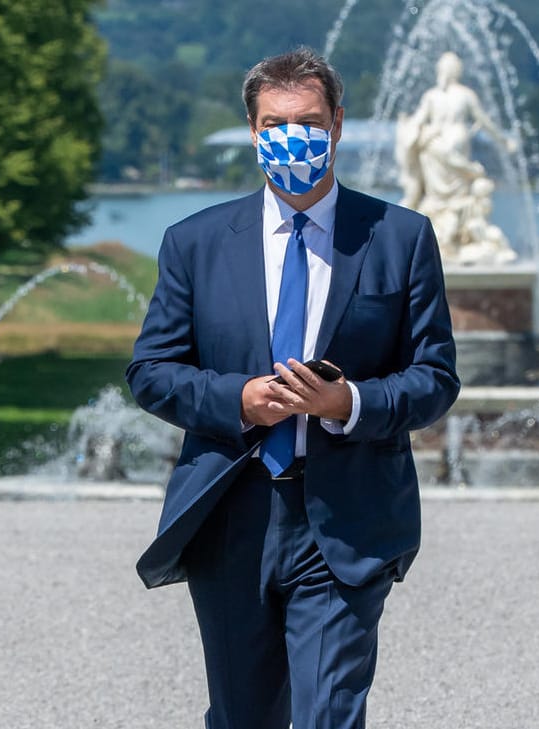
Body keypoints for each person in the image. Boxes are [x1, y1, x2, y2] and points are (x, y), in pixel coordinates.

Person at [127, 47, 459, 729]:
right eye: (275, 123)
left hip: (345, 516)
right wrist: (237, 400)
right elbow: (151, 370)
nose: (292, 136)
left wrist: (348, 403)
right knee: (241, 715)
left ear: (336, 123)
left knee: (326, 715)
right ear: (253, 131)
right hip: (229, 509)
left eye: (307, 120)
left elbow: (433, 379)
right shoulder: (194, 242)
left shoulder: (399, 237)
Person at [395, 51, 517, 259]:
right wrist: (503, 140)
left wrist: (405, 129)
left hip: (434, 148)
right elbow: (484, 121)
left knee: (436, 197)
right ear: (458, 71)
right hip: (457, 144)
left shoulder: (431, 96)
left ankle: (445, 239)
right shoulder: (465, 94)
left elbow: (416, 123)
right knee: (459, 196)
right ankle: (455, 237)